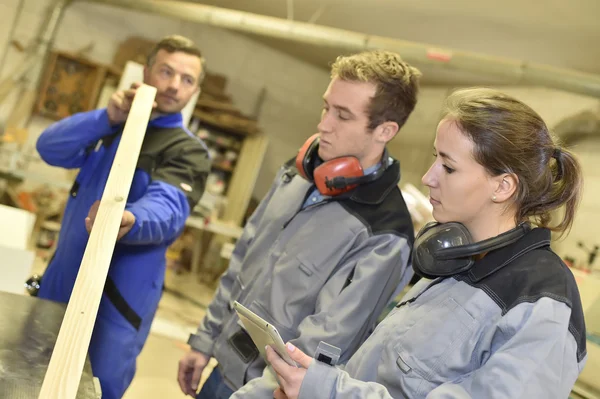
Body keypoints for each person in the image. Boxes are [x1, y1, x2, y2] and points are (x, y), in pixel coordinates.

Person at [266, 87, 587, 399]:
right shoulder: (456, 257)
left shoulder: (542, 302)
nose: (428, 177)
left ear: (503, 186)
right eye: (436, 159)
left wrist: (327, 391)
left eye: (448, 167)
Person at [177, 50, 422, 398]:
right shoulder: (297, 174)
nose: (323, 124)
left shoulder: (384, 234)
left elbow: (322, 344)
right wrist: (204, 341)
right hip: (222, 370)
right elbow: (243, 261)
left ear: (385, 130)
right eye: (326, 107)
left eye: (342, 115)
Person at [36, 35, 210, 399]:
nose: (174, 85)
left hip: (116, 302)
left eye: (187, 79)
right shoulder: (113, 127)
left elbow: (169, 207)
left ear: (195, 90)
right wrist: (107, 117)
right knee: (32, 375)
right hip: (61, 279)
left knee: (95, 389)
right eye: (166, 71)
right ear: (146, 73)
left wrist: (131, 218)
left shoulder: (188, 150)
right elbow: (49, 147)